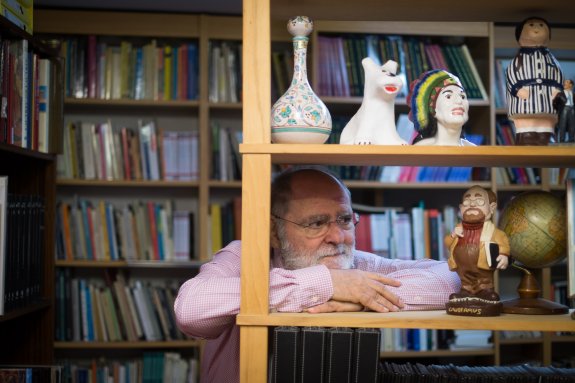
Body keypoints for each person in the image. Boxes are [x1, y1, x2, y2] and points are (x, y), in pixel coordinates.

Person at [174, 166, 461, 383]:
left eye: (345, 219)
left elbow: (449, 278)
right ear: (274, 232)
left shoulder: (357, 268)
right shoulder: (244, 256)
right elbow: (190, 309)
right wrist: (326, 284)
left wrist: (364, 294)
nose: (338, 237)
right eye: (316, 223)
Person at [444, 185, 510, 306]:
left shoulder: (493, 231)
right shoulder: (458, 228)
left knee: (484, 281)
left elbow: (502, 241)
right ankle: (465, 291)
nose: (472, 205)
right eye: (467, 202)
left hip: (483, 268)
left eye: (479, 201)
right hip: (462, 270)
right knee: (465, 282)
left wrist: (503, 255)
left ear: (491, 207)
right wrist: (453, 235)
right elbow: (448, 243)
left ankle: (484, 291)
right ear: (460, 208)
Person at [506, 17, 565, 145]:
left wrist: (557, 89)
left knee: (546, 121)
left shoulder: (551, 59)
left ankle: (547, 136)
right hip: (524, 100)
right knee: (526, 121)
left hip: (547, 97)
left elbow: (558, 74)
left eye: (541, 25)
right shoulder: (518, 59)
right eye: (531, 25)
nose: (536, 28)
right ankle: (525, 136)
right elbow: (512, 73)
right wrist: (517, 88)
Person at [407, 69, 476, 146]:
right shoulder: (422, 149)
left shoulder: (474, 150)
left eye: (462, 96)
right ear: (432, 109)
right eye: (448, 96)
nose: (459, 101)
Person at [556, 79, 574, 143]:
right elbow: (555, 103)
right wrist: (558, 111)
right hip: (564, 109)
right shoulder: (560, 94)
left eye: (567, 82)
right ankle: (562, 141)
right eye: (564, 82)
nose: (564, 83)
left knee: (572, 125)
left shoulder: (573, 94)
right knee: (562, 125)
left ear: (571, 85)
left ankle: (572, 140)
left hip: (572, 109)